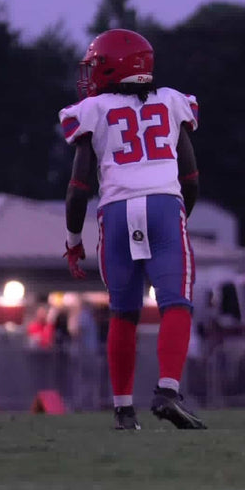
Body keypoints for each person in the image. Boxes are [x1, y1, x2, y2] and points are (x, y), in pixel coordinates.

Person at [59, 28, 206, 430]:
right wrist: (178, 219)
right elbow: (190, 177)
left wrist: (73, 241)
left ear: (111, 67)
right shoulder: (173, 101)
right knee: (176, 302)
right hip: (163, 204)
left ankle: (124, 411)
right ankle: (167, 391)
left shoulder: (94, 110)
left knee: (124, 313)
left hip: (115, 213)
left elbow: (78, 189)